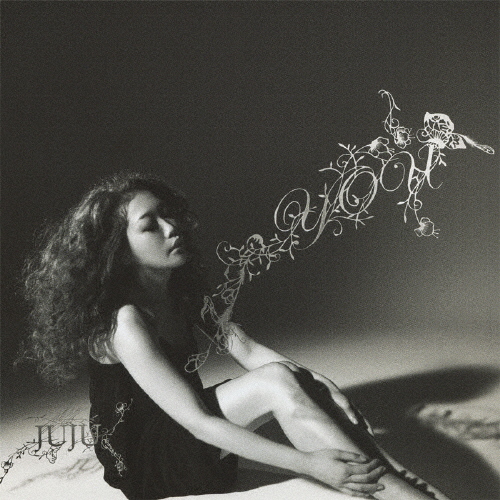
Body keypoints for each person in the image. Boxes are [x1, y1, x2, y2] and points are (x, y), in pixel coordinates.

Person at [22, 172, 452, 500]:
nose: (172, 228)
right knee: (278, 385)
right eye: (150, 225)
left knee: (291, 384)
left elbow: (243, 347)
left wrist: (324, 386)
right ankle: (401, 495)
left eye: (170, 215)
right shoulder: (127, 323)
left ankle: (407, 488)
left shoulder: (181, 292)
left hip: (189, 432)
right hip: (148, 460)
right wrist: (309, 464)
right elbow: (198, 421)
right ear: (119, 251)